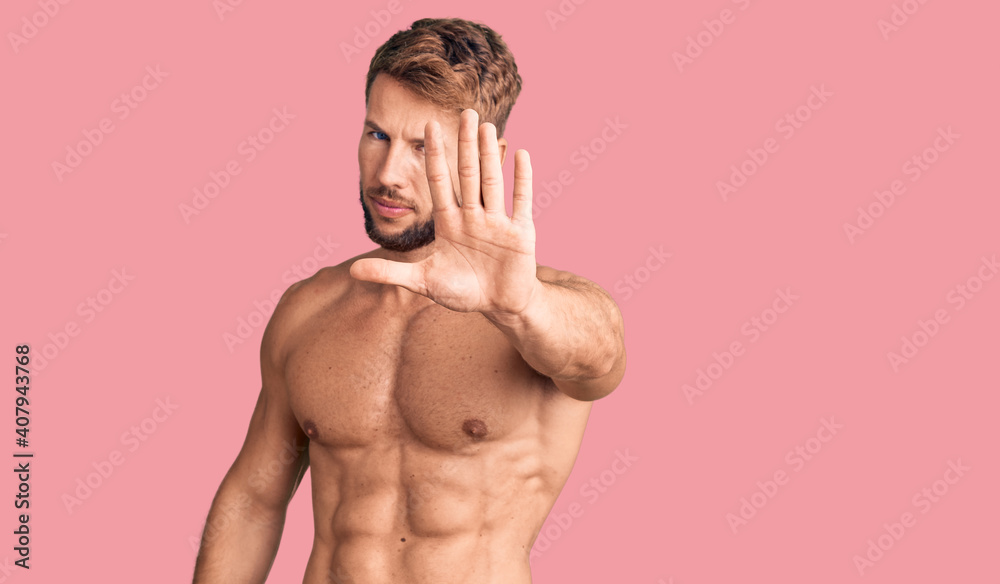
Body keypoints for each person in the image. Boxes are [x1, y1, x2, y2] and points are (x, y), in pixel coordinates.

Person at [192, 17, 626, 584]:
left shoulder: (543, 310)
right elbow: (254, 498)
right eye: (378, 135)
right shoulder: (308, 309)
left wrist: (519, 306)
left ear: (487, 157)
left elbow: (598, 364)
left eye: (425, 147)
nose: (388, 174)